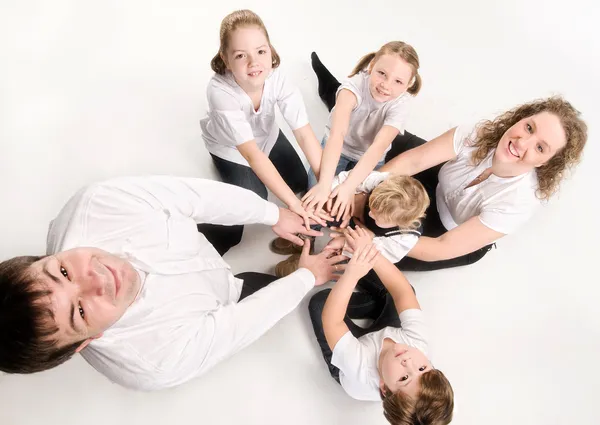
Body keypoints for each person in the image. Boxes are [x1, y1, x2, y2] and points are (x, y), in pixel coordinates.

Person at [0, 176, 346, 390]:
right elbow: (243, 323)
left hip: (195, 240)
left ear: (41, 257)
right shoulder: (156, 363)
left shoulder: (97, 204)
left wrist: (274, 215)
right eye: (79, 311)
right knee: (279, 291)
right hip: (222, 298)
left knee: (236, 214)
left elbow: (195, 197)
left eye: (61, 271)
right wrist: (307, 277)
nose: (97, 278)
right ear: (82, 345)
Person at [311, 55, 588, 271]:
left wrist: (374, 237)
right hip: (434, 178)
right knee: (383, 135)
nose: (522, 142)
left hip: (441, 229)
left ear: (546, 163)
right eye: (529, 127)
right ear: (521, 118)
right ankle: (341, 94)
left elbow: (441, 247)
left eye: (540, 147)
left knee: (371, 249)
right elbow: (415, 160)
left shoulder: (519, 202)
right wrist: (362, 190)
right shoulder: (484, 131)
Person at [200, 9, 325, 252]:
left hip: (268, 137)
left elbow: (303, 132)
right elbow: (252, 155)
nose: (254, 63)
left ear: (271, 51)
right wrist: (293, 206)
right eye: (240, 55)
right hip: (233, 149)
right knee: (255, 199)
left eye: (260, 51)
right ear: (226, 59)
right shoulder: (219, 91)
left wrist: (327, 183)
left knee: (302, 181)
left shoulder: (277, 79)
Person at [308, 227, 454, 424]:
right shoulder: (418, 345)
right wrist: (370, 249)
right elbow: (402, 291)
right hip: (386, 335)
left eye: (404, 378)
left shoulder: (358, 368)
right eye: (422, 368)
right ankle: (359, 256)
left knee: (321, 303)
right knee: (402, 291)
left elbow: (332, 320)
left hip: (355, 352)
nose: (409, 362)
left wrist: (351, 275)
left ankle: (355, 265)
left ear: (383, 388)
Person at [301, 42, 423, 224]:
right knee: (317, 192)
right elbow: (337, 136)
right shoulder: (352, 88)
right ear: (372, 65)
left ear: (408, 84)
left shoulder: (402, 103)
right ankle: (307, 234)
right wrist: (324, 185)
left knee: (352, 205)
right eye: (382, 74)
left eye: (398, 81)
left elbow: (378, 147)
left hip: (369, 155)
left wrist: (349, 187)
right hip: (340, 148)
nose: (386, 86)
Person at [274, 171, 429, 277]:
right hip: (351, 214)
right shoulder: (382, 181)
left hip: (364, 242)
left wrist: (348, 241)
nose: (370, 213)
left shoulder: (405, 237)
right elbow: (347, 179)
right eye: (372, 206)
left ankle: (316, 264)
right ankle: (305, 237)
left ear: (400, 223)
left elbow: (382, 254)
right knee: (324, 207)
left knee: (347, 256)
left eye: (377, 216)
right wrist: (336, 194)